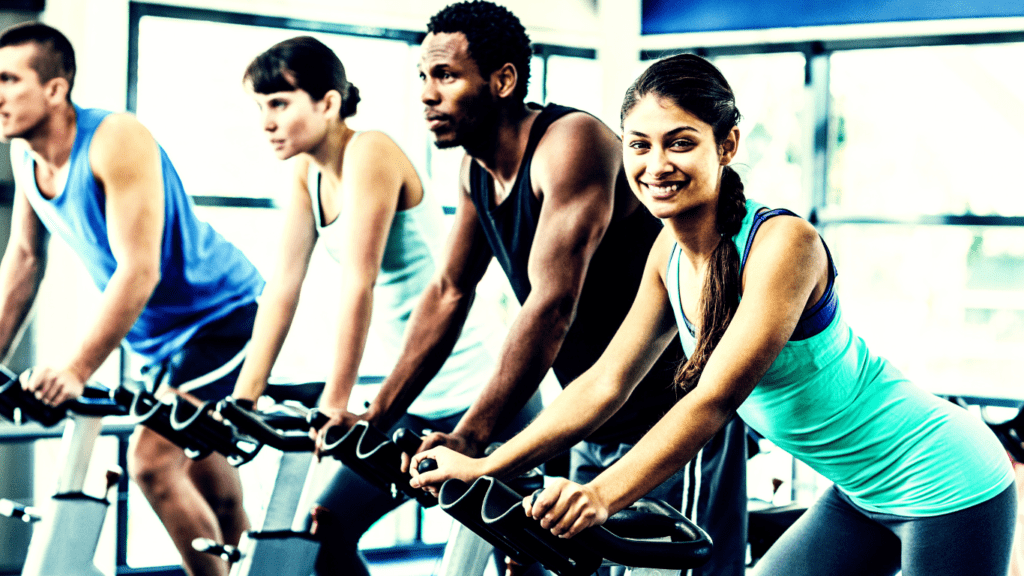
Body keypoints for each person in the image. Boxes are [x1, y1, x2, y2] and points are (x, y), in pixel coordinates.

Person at [411, 53, 1017, 576]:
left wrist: (601, 495)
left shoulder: (783, 245)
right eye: (639, 146)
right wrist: (486, 461)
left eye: (680, 143)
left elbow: (713, 399)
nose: (656, 165)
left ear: (726, 145)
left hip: (946, 480)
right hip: (859, 493)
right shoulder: (667, 254)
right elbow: (604, 382)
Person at [375, 3, 748, 575]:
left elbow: (551, 306)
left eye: (446, 75)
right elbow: (449, 292)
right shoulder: (476, 173)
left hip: (671, 420)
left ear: (503, 80)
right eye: (423, 77)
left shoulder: (570, 142)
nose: (428, 93)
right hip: (589, 415)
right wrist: (377, 416)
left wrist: (472, 438)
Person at [229, 36, 537, 576]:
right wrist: (244, 396)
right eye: (259, 108)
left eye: (279, 103)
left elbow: (359, 281)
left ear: (328, 103)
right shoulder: (307, 173)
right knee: (326, 530)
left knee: (516, 555)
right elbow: (283, 286)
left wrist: (337, 402)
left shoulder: (369, 150)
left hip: (482, 393)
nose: (266, 123)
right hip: (413, 397)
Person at [0, 23, 265, 576]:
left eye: (7, 79)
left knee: (152, 464)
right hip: (158, 340)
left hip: (222, 318)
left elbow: (139, 269)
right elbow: (24, 262)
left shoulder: (113, 138)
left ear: (55, 89)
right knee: (207, 481)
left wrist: (75, 368)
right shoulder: (28, 159)